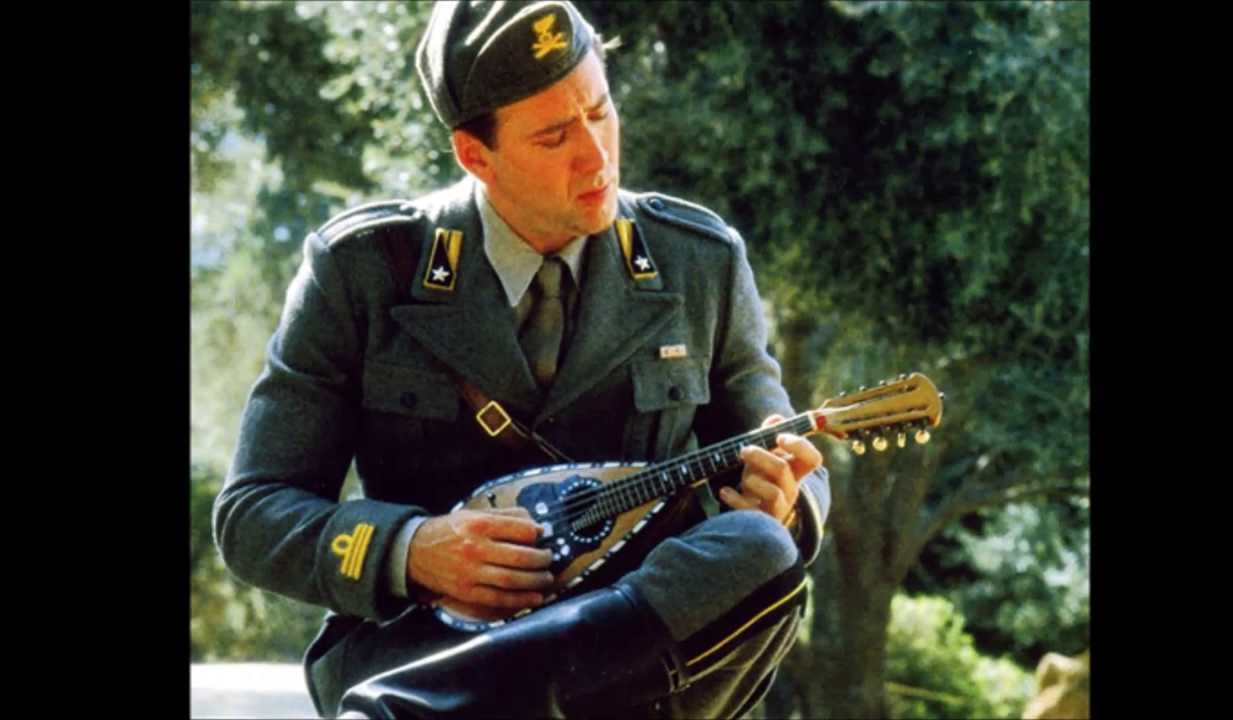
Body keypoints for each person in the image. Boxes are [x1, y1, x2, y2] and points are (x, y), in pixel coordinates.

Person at [212, 2, 831, 718]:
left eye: (599, 111)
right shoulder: (364, 270)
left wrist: (788, 501)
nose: (596, 156)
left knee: (760, 546)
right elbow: (254, 514)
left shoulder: (698, 262)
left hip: (629, 670)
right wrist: (410, 550)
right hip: (427, 650)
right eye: (554, 135)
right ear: (475, 155)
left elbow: (784, 450)